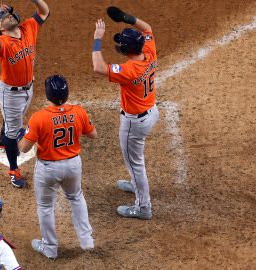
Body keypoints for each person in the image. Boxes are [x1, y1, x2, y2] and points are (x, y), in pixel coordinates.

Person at [18, 75, 97, 260]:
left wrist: (22, 135)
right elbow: (93, 134)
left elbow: (23, 148)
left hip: (48, 169)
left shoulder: (39, 117)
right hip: (73, 165)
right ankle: (87, 241)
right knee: (76, 197)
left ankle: (50, 248)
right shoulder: (79, 112)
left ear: (48, 95)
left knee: (45, 206)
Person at [92, 6, 160, 220]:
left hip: (135, 123)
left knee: (135, 163)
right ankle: (135, 185)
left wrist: (97, 39)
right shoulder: (149, 51)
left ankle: (143, 207)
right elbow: (147, 27)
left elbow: (99, 67)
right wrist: (125, 18)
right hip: (151, 111)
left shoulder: (129, 71)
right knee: (135, 162)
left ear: (127, 50)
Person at [0, 1, 50, 188]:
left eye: (11, 14)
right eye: (6, 16)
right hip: (11, 94)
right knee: (14, 132)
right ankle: (13, 170)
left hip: (28, 87)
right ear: (0, 27)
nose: (11, 16)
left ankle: (0, 140)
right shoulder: (4, 43)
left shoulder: (28, 27)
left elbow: (44, 11)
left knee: (14, 120)